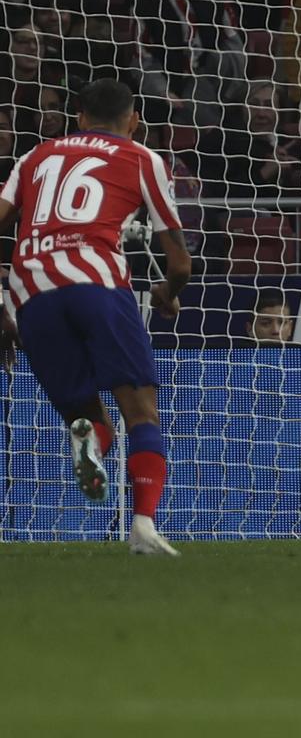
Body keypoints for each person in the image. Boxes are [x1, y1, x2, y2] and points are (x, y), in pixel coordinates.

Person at [0, 78, 191, 556]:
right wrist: (168, 292)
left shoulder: (35, 156)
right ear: (134, 120)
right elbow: (181, 262)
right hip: (97, 283)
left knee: (85, 415)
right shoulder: (143, 157)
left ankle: (88, 438)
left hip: (32, 294)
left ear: (80, 117)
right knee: (142, 411)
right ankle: (143, 526)